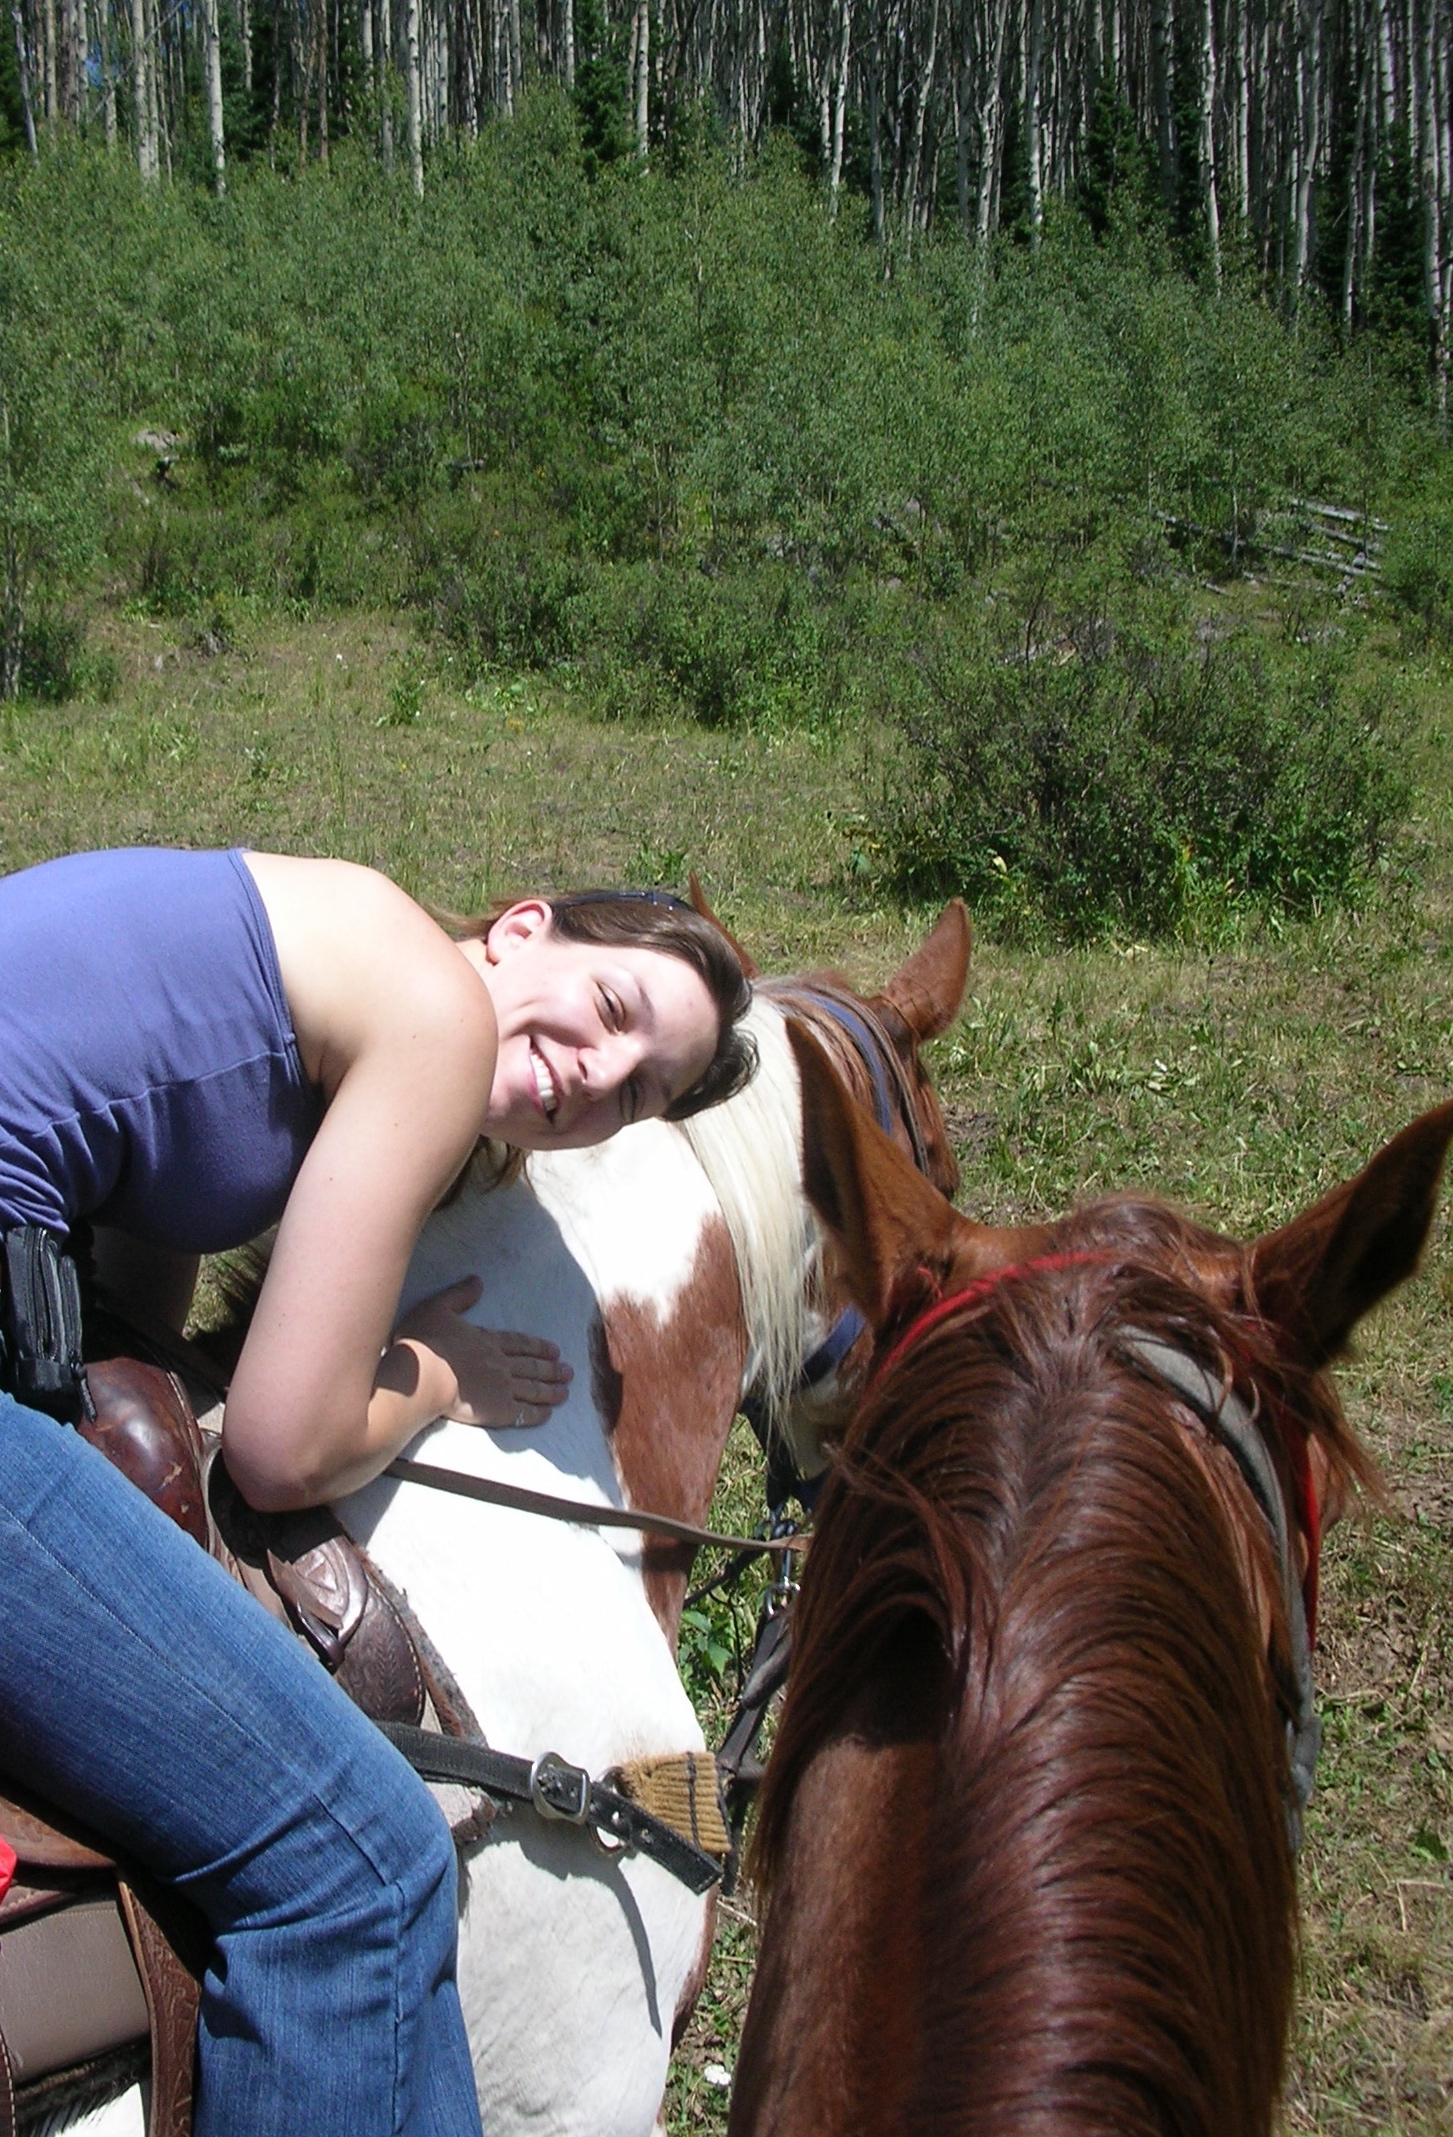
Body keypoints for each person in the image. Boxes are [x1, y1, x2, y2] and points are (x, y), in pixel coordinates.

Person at [0, 845, 754, 2137]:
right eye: (616, 1012)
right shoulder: (438, 1015)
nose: (598, 1077)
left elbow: (136, 1226)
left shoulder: (331, 942)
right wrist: (436, 1377)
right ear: (525, 928)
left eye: (642, 1091)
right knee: (361, 1866)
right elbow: (285, 1449)